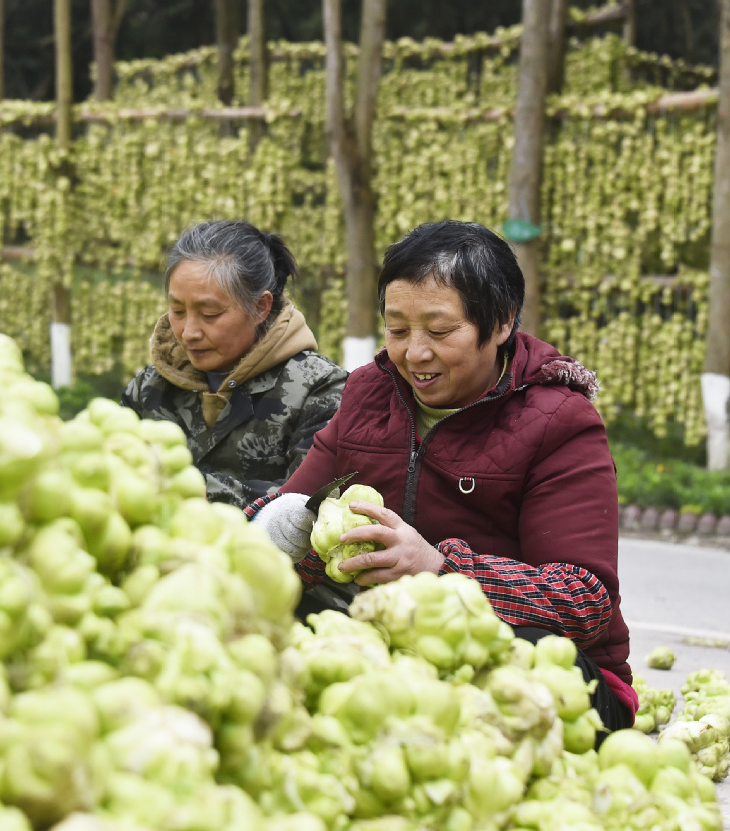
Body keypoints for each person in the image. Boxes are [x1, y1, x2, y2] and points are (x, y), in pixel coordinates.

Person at [248, 219, 635, 734]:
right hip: (391, 651)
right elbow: (293, 506)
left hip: (536, 672)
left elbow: (583, 600)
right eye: (397, 329)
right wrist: (281, 529)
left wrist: (439, 568)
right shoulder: (368, 394)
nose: (414, 353)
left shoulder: (559, 421)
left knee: (532, 656)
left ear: (500, 323)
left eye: (439, 330)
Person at [122, 219, 348, 508]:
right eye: (177, 310)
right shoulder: (149, 388)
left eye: (210, 314)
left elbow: (311, 503)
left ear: (260, 308)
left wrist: (195, 492)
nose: (189, 332)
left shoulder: (320, 391)